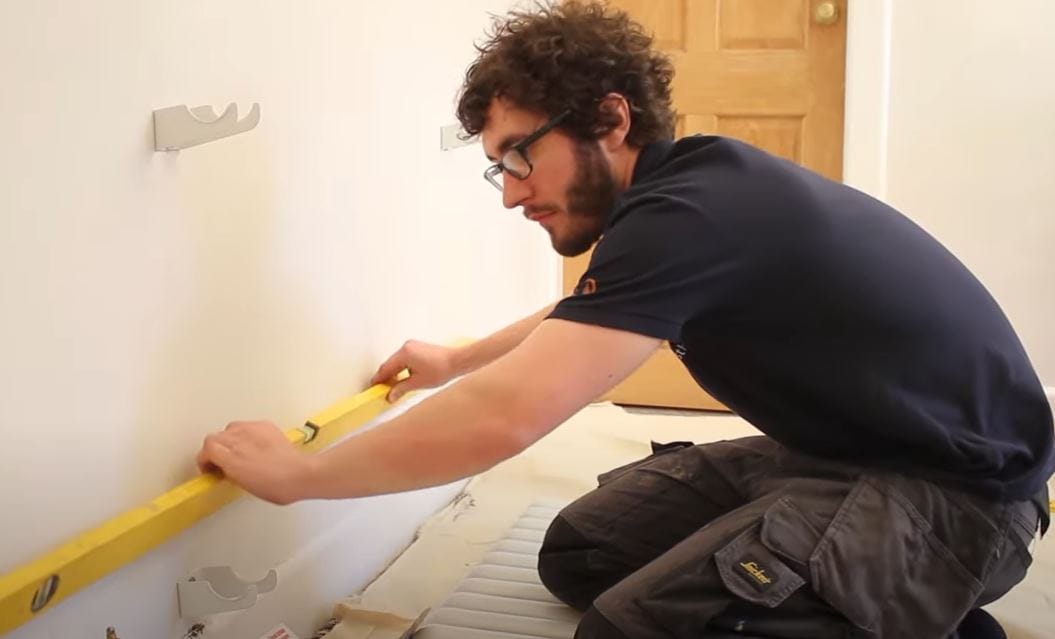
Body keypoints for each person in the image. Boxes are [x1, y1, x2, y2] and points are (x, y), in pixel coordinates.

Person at [196, 2, 1053, 637]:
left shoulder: (694, 212)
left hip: (959, 500)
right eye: (499, 170)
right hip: (840, 458)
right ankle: (837, 590)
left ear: (609, 119)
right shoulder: (685, 207)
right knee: (580, 553)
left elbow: (509, 416)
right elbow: (587, 314)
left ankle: (922, 611)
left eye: (521, 156)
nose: (515, 193)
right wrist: (456, 361)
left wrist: (298, 476)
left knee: (621, 631)